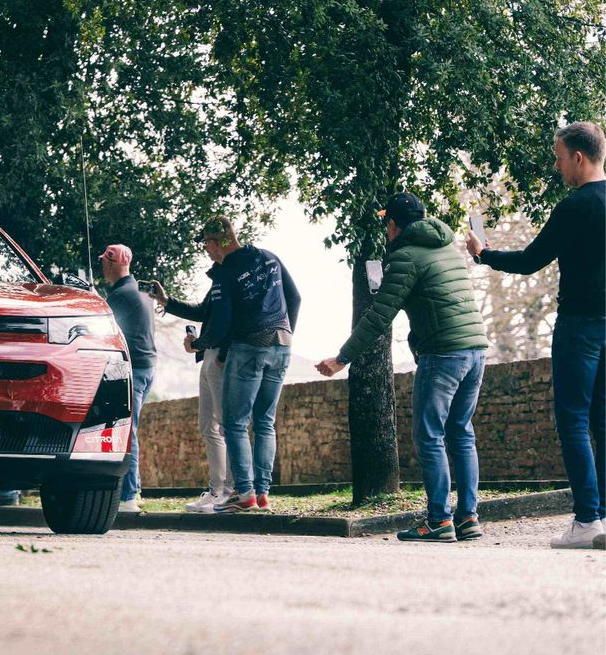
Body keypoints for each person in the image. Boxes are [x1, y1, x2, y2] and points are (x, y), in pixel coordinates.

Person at [316, 193, 489, 542]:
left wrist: (341, 358)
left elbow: (379, 317)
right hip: (476, 350)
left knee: (430, 435)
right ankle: (468, 517)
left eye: (387, 224)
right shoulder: (448, 249)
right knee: (461, 433)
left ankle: (440, 521)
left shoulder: (406, 257)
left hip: (443, 354)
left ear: (393, 226)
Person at [467, 121, 605, 549]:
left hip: (580, 326)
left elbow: (530, 261)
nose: (557, 165)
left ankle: (587, 522)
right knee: (603, 421)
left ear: (578, 157)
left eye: (559, 157)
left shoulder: (575, 206)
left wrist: (484, 253)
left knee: (574, 421)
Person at [188, 215, 300, 513]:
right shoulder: (269, 258)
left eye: (206, 246)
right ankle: (262, 494)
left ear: (214, 243)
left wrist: (198, 345)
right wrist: (286, 333)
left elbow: (222, 321)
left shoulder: (225, 272)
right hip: (282, 344)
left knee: (234, 423)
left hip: (249, 347)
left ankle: (245, 493)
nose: (208, 252)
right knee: (265, 422)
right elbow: (295, 298)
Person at [149, 259, 232, 513]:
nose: (205, 248)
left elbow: (229, 321)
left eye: (207, 242)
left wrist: (209, 349)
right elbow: (203, 312)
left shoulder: (231, 276)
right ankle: (217, 490)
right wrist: (166, 301)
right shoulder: (218, 280)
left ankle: (229, 492)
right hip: (208, 355)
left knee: (226, 426)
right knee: (208, 426)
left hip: (220, 357)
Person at [97, 245, 157, 513]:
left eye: (104, 262)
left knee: (125, 430)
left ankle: (128, 497)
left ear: (110, 264)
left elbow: (103, 331)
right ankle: (134, 490)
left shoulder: (120, 296)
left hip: (130, 368)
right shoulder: (140, 294)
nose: (102, 267)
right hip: (147, 368)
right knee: (129, 428)